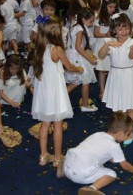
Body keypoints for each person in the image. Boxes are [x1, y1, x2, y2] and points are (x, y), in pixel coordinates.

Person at [31, 17, 84, 167]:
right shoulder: (56, 49)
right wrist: (79, 69)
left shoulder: (40, 48)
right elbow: (69, 66)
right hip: (55, 91)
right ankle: (57, 158)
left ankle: (43, 156)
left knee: (45, 124)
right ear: (56, 33)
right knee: (58, 124)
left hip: (44, 91)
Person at [58, 112, 133, 195]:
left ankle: (64, 170)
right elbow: (125, 166)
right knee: (112, 174)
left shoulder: (98, 134)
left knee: (90, 160)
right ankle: (90, 189)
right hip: (79, 175)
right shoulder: (114, 146)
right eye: (128, 134)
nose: (128, 136)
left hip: (69, 163)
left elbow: (108, 156)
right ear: (121, 133)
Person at [98, 13, 133, 122]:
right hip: (115, 76)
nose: (124, 32)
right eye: (120, 29)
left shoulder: (132, 42)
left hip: (128, 75)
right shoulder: (110, 42)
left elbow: (131, 56)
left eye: (126, 28)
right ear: (114, 30)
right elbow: (100, 55)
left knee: (130, 108)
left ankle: (130, 132)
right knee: (117, 108)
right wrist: (108, 44)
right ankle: (119, 130)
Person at [65, 7, 98, 112]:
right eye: (91, 21)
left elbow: (83, 47)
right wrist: (90, 59)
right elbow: (79, 47)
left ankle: (60, 97)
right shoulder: (80, 30)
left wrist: (91, 56)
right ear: (83, 19)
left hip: (73, 55)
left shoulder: (76, 26)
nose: (92, 24)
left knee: (77, 81)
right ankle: (85, 105)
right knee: (85, 81)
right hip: (77, 57)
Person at [94, 0, 118, 98]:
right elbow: (95, 33)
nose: (112, 9)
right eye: (110, 7)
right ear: (105, 7)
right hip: (102, 44)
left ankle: (113, 89)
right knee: (102, 69)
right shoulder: (99, 18)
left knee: (114, 68)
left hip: (113, 44)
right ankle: (102, 90)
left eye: (114, 7)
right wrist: (105, 34)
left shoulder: (115, 17)